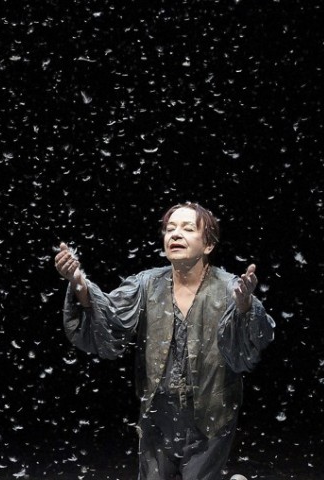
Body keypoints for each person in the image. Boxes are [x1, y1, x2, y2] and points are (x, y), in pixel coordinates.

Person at [54, 202, 275, 480]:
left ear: (208, 245)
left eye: (187, 228)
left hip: (210, 416)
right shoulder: (147, 284)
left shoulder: (229, 288)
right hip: (158, 415)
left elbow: (251, 345)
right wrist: (79, 283)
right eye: (170, 229)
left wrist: (244, 308)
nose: (176, 234)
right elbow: (110, 316)